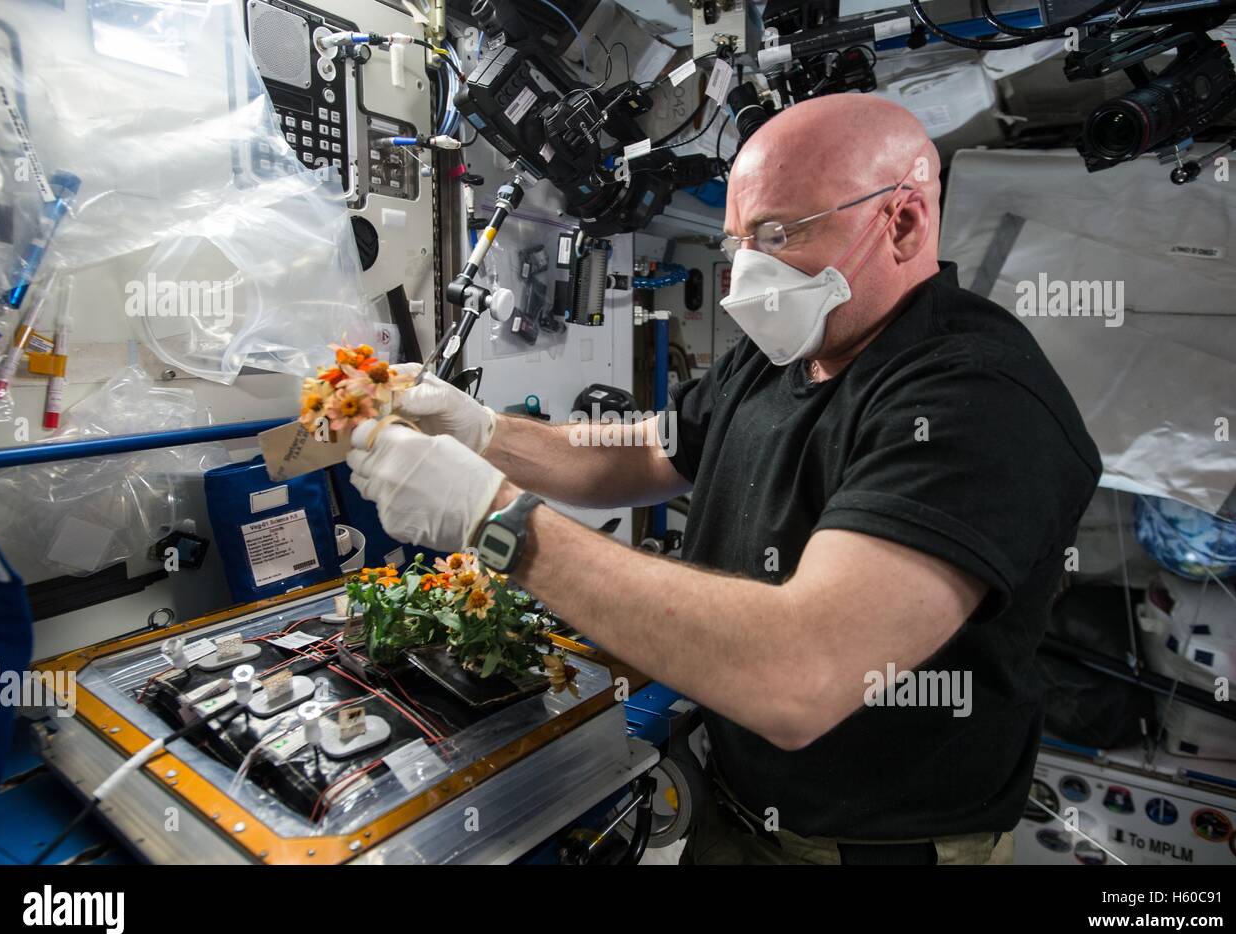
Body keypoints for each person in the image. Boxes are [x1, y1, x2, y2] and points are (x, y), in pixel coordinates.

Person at [346, 92, 1102, 864]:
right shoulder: (792, 345)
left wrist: (496, 521)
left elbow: (799, 673)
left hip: (871, 850)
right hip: (739, 808)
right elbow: (649, 451)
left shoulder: (977, 397)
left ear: (901, 221)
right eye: (739, 239)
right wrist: (485, 433)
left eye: (778, 233)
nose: (747, 274)